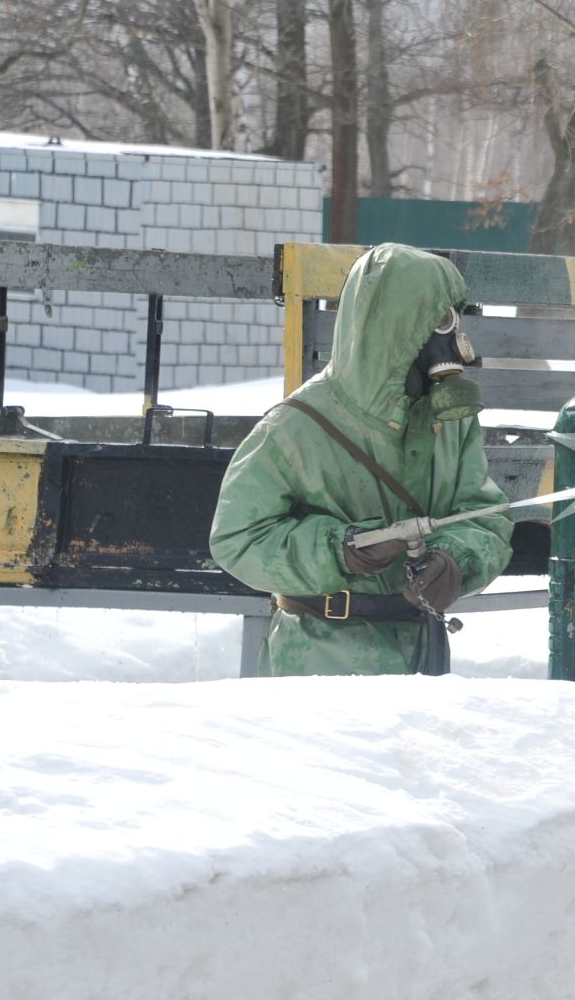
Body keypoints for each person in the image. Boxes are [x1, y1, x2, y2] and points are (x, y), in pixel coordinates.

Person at [210, 243, 513, 676]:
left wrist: (453, 561)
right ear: (396, 326)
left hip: (422, 658)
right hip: (318, 663)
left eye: (454, 320)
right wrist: (340, 550)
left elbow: (485, 516)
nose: (451, 338)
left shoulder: (451, 423)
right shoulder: (295, 426)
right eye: (439, 319)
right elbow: (236, 539)